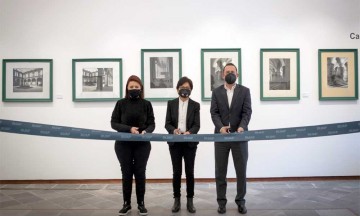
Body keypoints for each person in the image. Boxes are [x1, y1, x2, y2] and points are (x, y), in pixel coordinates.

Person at [210, 63, 252, 214]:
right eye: (227, 72)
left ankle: (241, 201)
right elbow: (213, 113)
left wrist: (242, 127)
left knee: (241, 172)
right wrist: (220, 127)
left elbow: (247, 112)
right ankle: (221, 202)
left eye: (232, 71)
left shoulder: (245, 91)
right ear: (222, 75)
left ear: (237, 74)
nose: (230, 74)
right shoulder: (216, 92)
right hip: (221, 138)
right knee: (220, 172)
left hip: (239, 137)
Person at [111, 75, 155, 216]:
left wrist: (146, 131)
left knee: (140, 173)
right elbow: (114, 123)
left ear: (141, 88)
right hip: (123, 145)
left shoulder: (146, 104)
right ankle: (126, 204)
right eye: (131, 87)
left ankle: (141, 204)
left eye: (136, 87)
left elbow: (152, 123)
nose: (134, 89)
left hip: (142, 144)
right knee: (127, 173)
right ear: (127, 89)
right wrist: (129, 129)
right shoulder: (120, 103)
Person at [165, 76, 200, 213]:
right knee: (176, 172)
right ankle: (177, 200)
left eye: (187, 88)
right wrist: (173, 130)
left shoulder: (195, 105)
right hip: (175, 142)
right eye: (182, 87)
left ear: (191, 90)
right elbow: (167, 123)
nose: (185, 90)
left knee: (189, 172)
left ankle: (190, 201)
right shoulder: (171, 103)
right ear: (177, 89)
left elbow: (197, 124)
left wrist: (189, 132)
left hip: (190, 142)